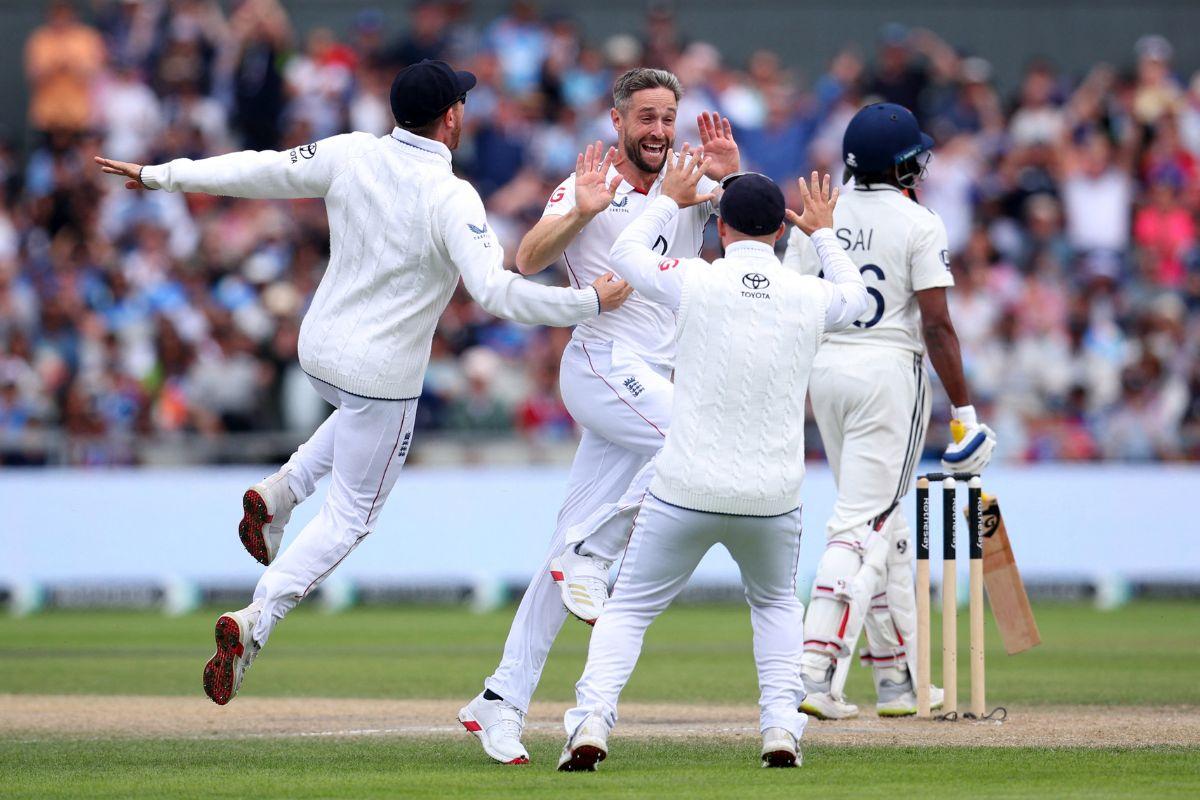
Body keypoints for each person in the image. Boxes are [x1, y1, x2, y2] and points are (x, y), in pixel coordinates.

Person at [95, 59, 633, 707]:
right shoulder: (452, 195)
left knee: (355, 421)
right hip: (382, 376)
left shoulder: (351, 152)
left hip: (320, 352)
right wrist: (587, 303)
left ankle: (283, 488)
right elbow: (495, 294)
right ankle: (258, 617)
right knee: (351, 518)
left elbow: (261, 169)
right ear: (453, 116)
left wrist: (161, 175)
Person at [459, 67, 741, 765]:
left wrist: (731, 179)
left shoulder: (687, 180)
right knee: (696, 442)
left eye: (667, 117)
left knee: (561, 550)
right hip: (602, 365)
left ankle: (499, 699)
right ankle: (593, 551)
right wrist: (582, 212)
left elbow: (754, 248)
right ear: (617, 121)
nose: (659, 130)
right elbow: (525, 258)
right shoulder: (590, 180)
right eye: (646, 117)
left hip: (652, 381)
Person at [557, 155, 868, 771]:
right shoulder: (810, 295)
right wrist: (824, 233)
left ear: (720, 227)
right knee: (776, 607)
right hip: (771, 496)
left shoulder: (694, 279)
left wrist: (668, 200)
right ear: (779, 230)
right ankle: (780, 731)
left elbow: (624, 254)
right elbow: (858, 299)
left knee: (629, 609)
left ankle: (591, 721)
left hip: (685, 488)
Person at [782, 102, 996, 719]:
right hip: (887, 374)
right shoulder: (919, 221)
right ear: (899, 164)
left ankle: (898, 679)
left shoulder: (821, 212)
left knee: (888, 526)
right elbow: (938, 325)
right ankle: (812, 673)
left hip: (826, 373)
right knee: (864, 523)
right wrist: (965, 412)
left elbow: (794, 302)